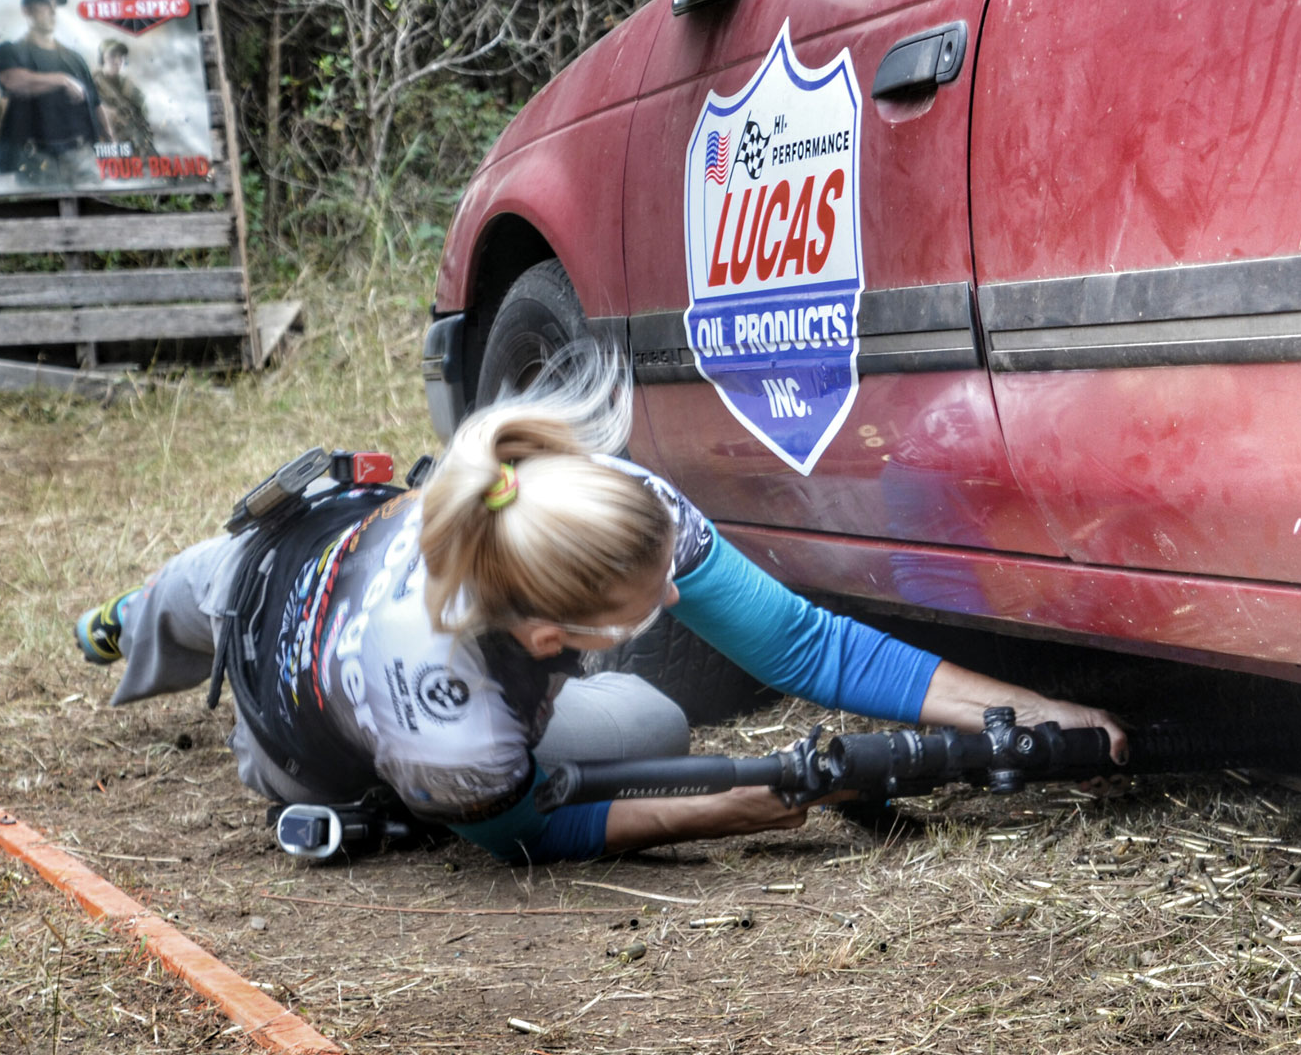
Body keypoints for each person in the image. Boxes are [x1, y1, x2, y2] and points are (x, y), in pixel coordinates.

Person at [74, 348, 1126, 864]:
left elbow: (807, 647)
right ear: (548, 635)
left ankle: (139, 613)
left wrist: (1033, 713)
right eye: (647, 600)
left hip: (330, 552)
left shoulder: (609, 503)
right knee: (205, 591)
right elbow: (521, 837)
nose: (674, 593)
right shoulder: (453, 723)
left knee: (655, 725)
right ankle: (125, 622)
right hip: (289, 693)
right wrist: (726, 809)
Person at [0, 0, 108, 185]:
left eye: (55, 6)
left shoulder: (74, 58)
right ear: (27, 10)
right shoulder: (11, 51)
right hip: (37, 159)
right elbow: (11, 81)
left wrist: (111, 142)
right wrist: (62, 80)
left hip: (82, 157)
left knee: (97, 202)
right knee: (40, 206)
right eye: (45, 4)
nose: (53, 11)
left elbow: (95, 103)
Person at [91, 39, 153, 157]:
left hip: (135, 142)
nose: (118, 60)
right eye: (113, 56)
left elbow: (143, 113)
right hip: (107, 145)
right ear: (103, 58)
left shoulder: (129, 87)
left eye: (121, 56)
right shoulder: (92, 84)